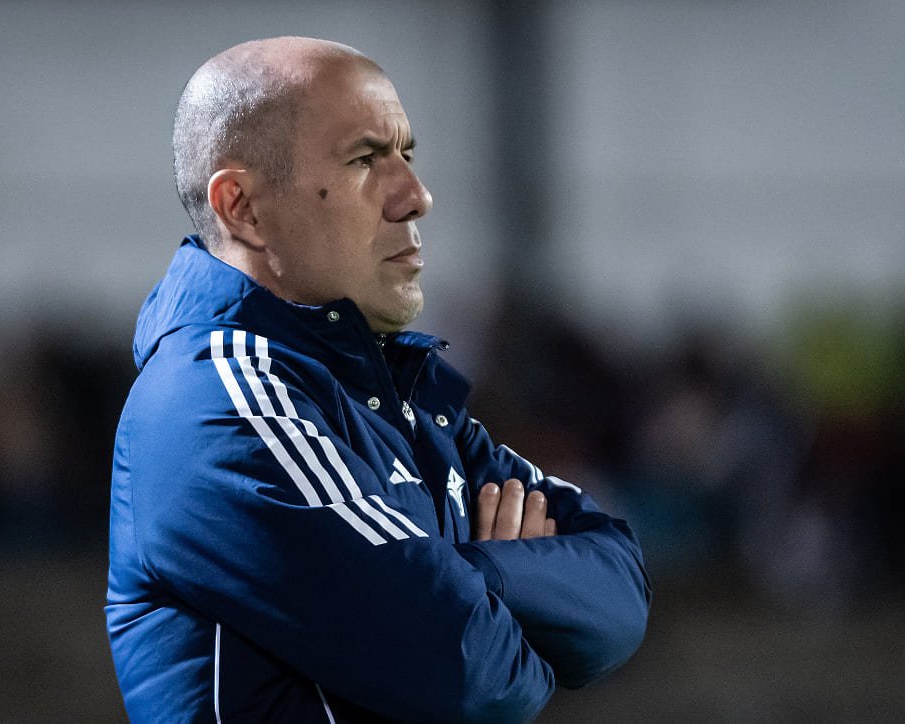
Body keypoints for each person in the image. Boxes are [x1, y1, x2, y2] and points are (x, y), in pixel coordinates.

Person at [105, 36, 651, 723]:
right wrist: (491, 591)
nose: (416, 196)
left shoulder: (396, 395)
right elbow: (468, 669)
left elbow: (622, 587)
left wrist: (459, 572)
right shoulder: (216, 405)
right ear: (242, 206)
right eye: (366, 159)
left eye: (408, 155)